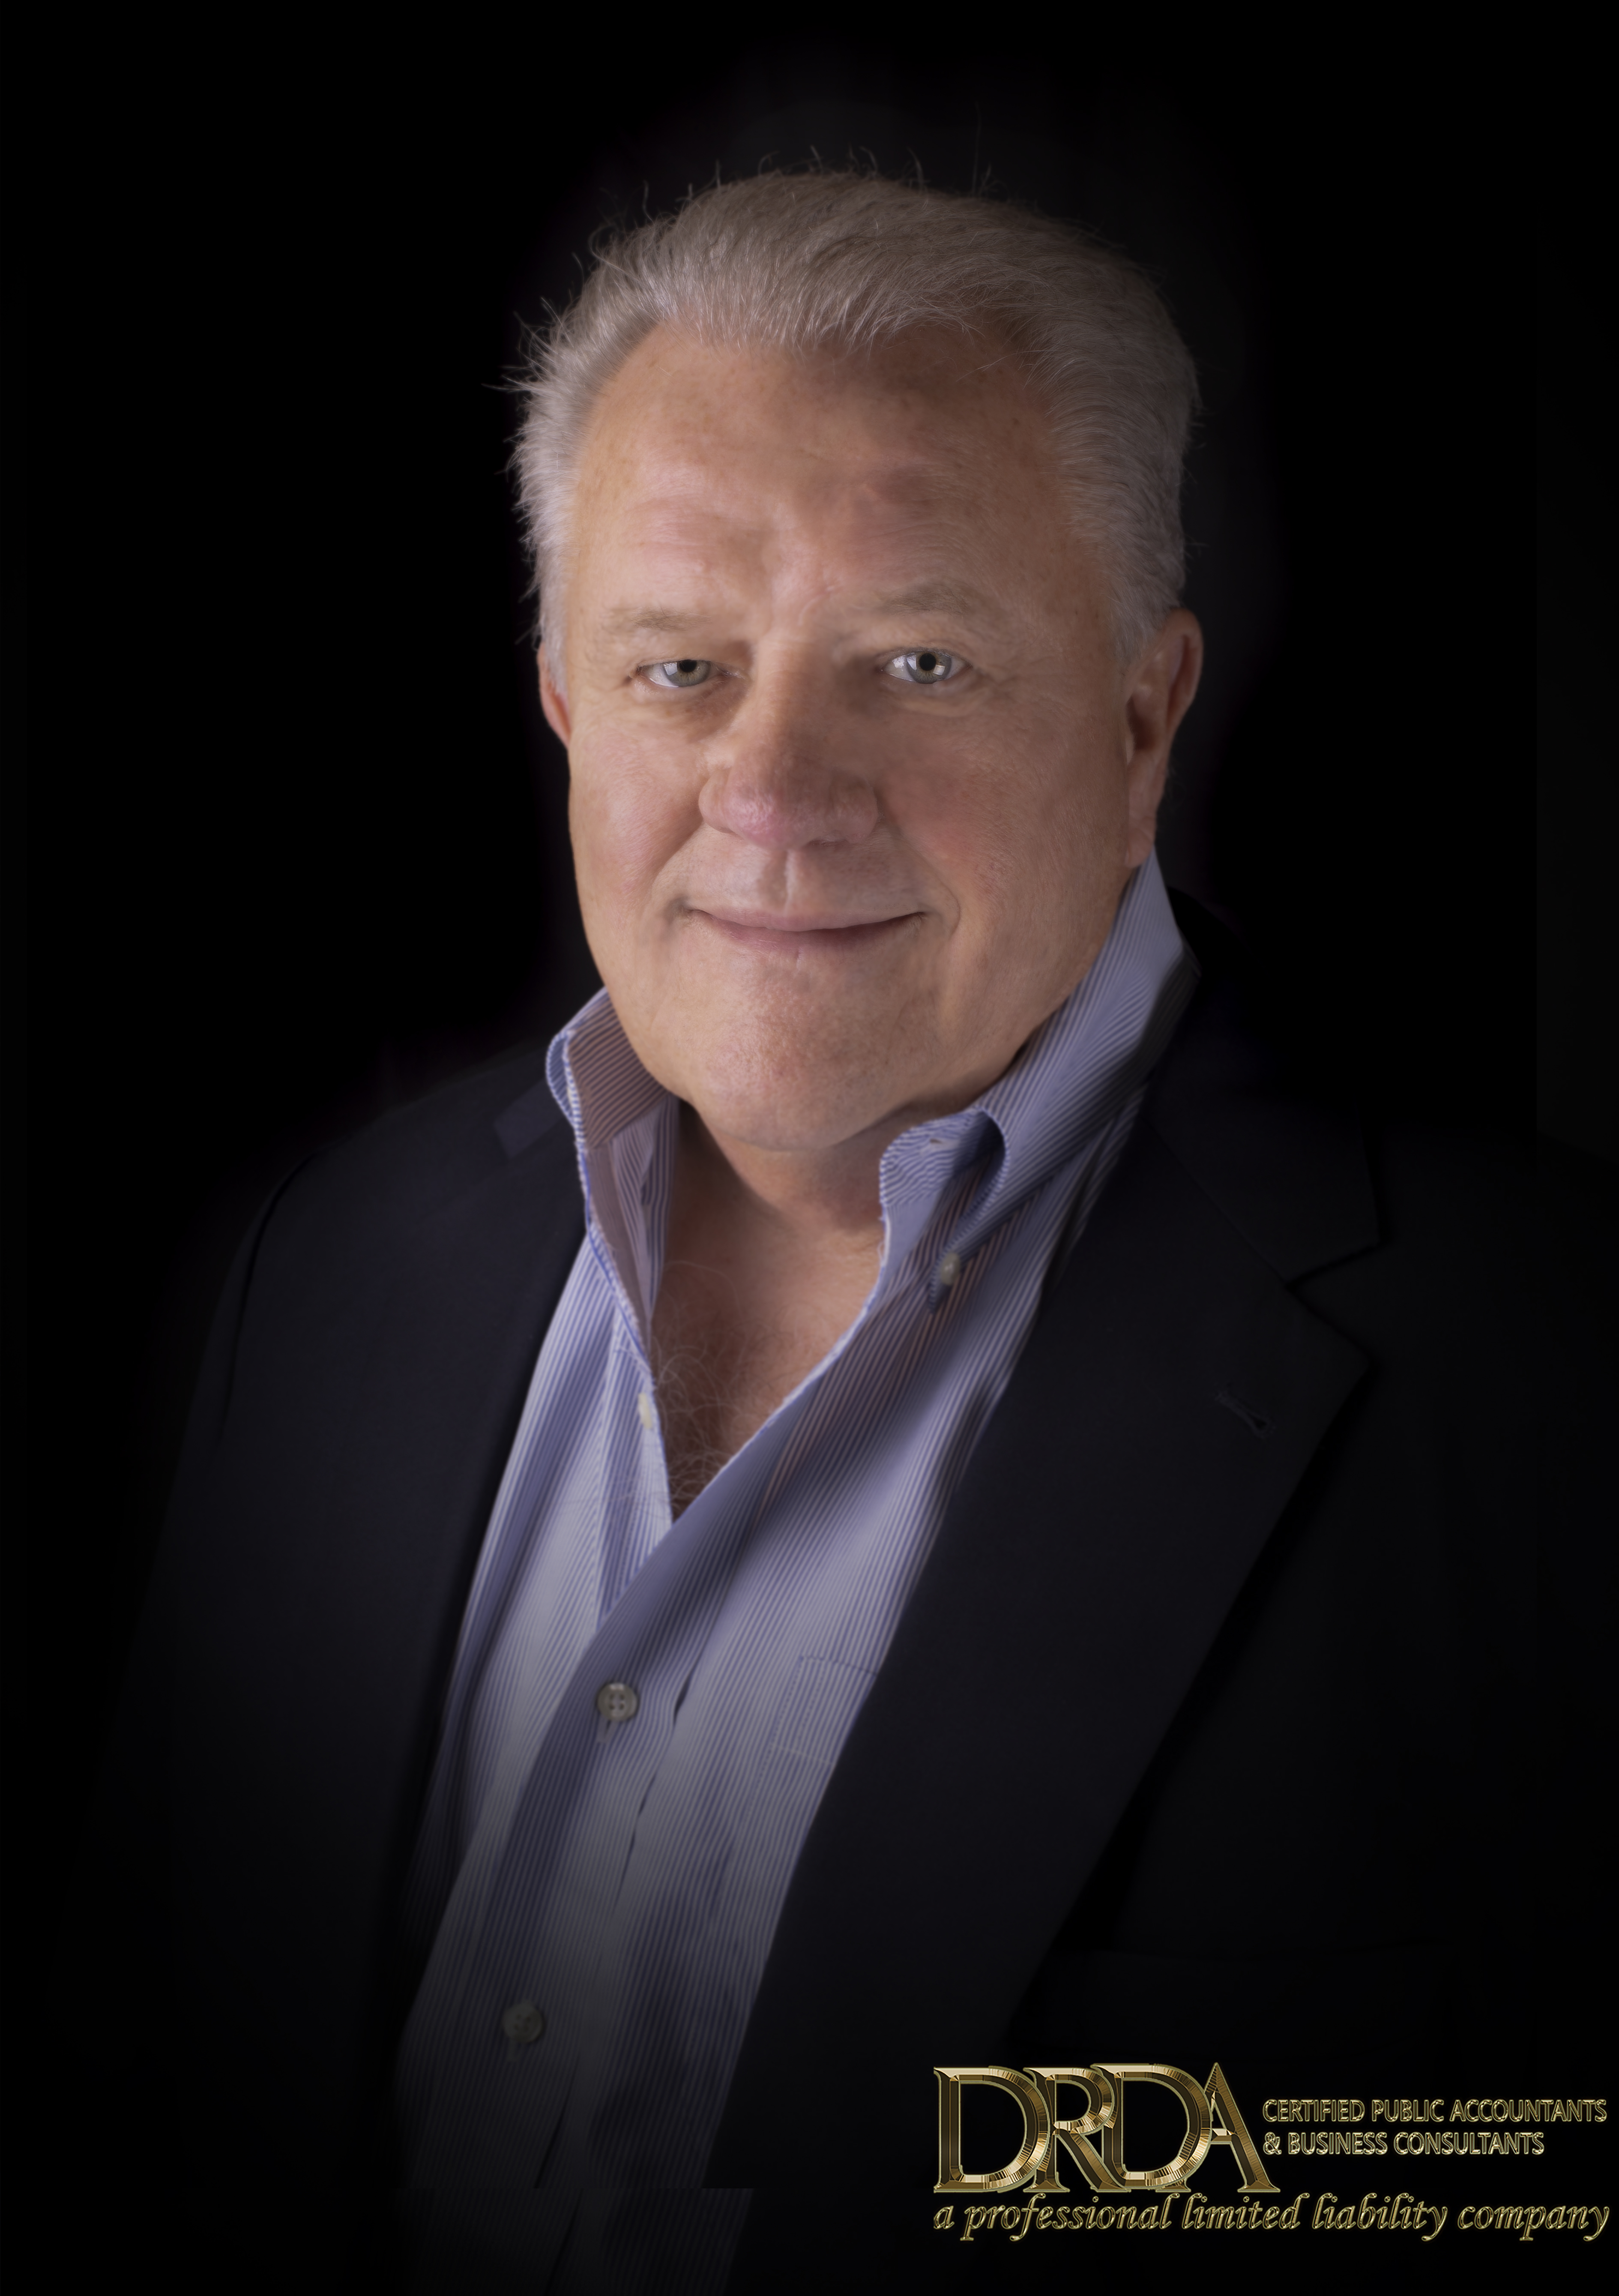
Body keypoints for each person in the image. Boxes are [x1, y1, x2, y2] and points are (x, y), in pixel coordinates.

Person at [69, 171, 1610, 2293]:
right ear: (564, 700)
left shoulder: (1547, 1376)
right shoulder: (334, 1270)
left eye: (919, 659)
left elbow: (1542, 2157)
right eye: (682, 665)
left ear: (1145, 715)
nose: (776, 785)